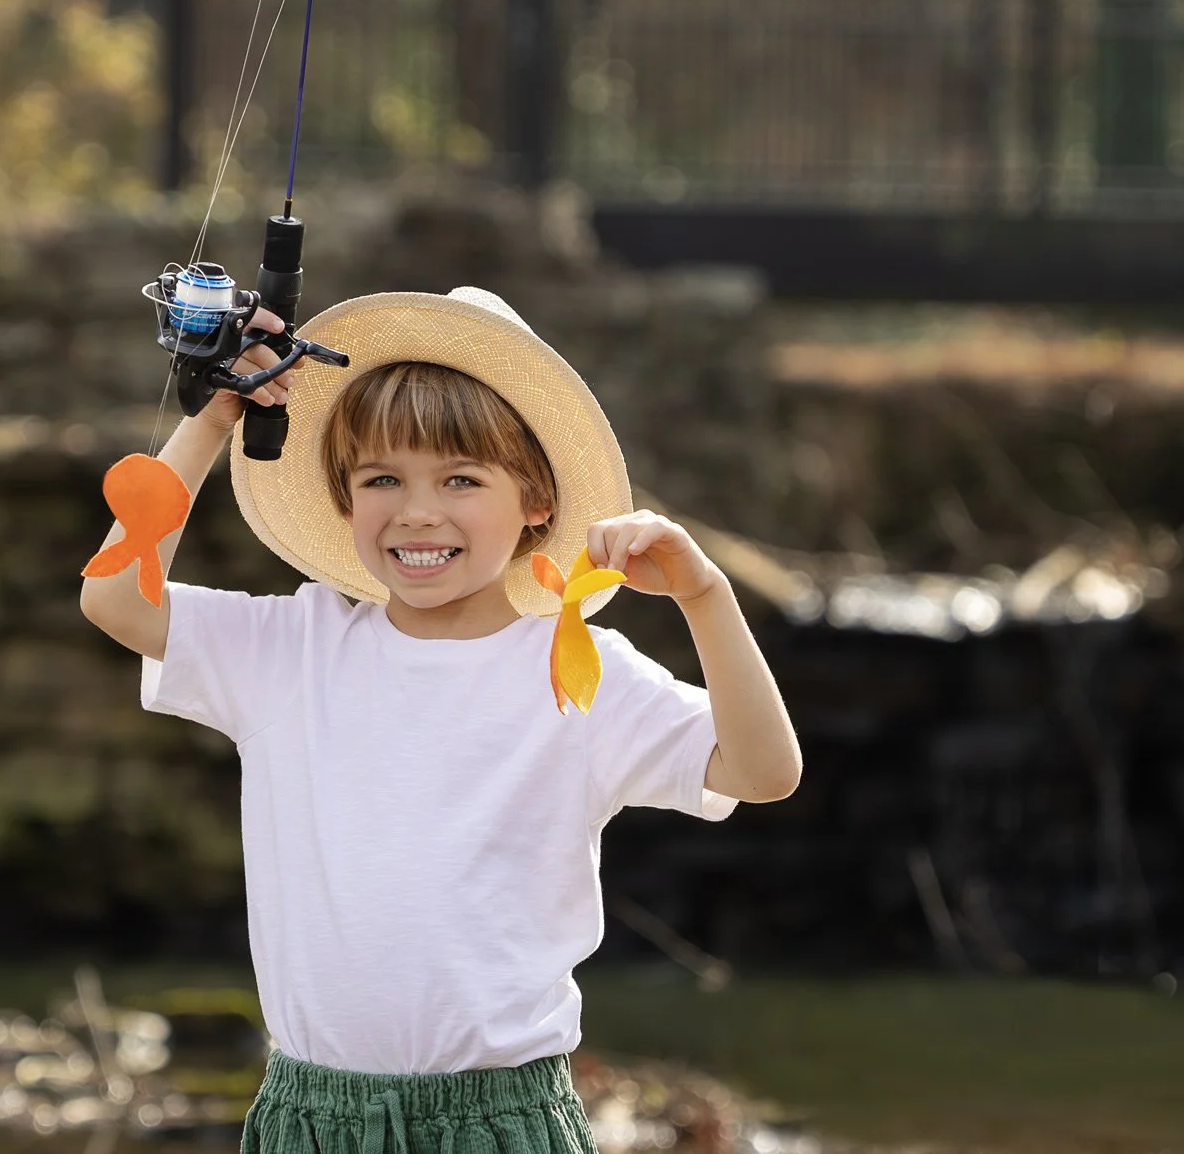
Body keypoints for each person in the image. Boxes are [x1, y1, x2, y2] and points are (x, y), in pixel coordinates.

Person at [80, 286, 799, 1154]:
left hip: (502, 1120)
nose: (417, 510)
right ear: (346, 500)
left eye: (461, 479)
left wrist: (705, 596)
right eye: (382, 479)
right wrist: (214, 416)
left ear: (537, 500)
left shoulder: (579, 669)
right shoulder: (293, 647)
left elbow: (764, 772)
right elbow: (115, 599)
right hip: (312, 1118)